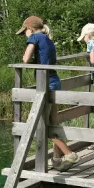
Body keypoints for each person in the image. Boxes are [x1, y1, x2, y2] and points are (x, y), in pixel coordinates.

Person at [16, 16, 79, 171]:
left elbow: (25, 59)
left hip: (45, 84)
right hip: (55, 80)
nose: (24, 34)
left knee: (44, 125)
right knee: (54, 122)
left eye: (24, 31)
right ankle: (57, 159)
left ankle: (70, 154)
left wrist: (30, 60)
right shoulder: (47, 38)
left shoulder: (35, 37)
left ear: (30, 28)